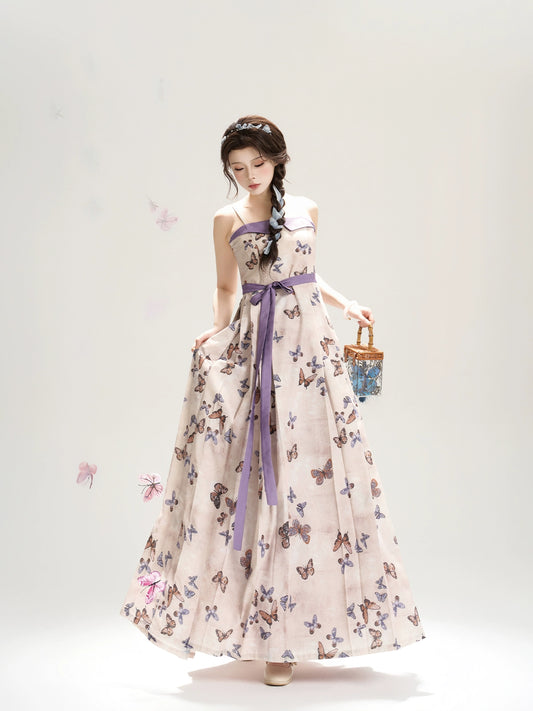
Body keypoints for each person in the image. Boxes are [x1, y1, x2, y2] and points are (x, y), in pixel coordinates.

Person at [119, 115, 426, 686]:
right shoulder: (227, 218)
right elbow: (226, 286)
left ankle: (298, 630)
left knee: (313, 482)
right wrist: (215, 331)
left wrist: (347, 304)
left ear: (278, 160)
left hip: (310, 354)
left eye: (258, 163)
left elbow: (306, 275)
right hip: (256, 349)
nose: (249, 175)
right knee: (258, 477)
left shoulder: (306, 208)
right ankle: (266, 635)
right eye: (238, 168)